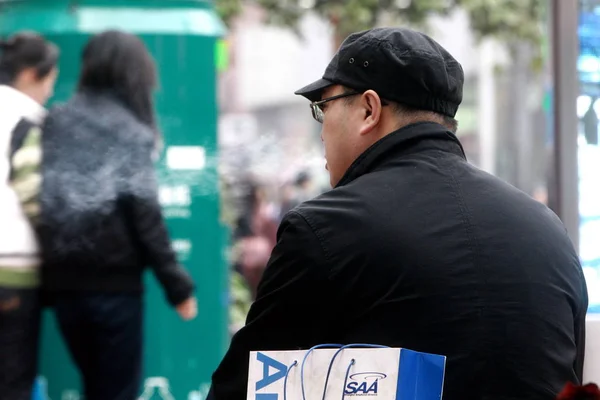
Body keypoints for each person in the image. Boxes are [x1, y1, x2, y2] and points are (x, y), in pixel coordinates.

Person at [208, 27, 588, 400]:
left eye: (323, 108)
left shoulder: (325, 229)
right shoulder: (548, 229)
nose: (322, 131)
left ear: (369, 110)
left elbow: (241, 388)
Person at [38, 30, 197, 400]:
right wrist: (178, 287)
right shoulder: (130, 132)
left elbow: (45, 202)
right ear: (132, 72)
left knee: (94, 386)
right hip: (115, 292)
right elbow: (146, 217)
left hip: (65, 292)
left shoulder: (56, 121)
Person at [0, 31, 58, 400]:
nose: (50, 91)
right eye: (51, 80)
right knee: (12, 382)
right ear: (33, 74)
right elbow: (36, 197)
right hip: (12, 272)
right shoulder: (28, 119)